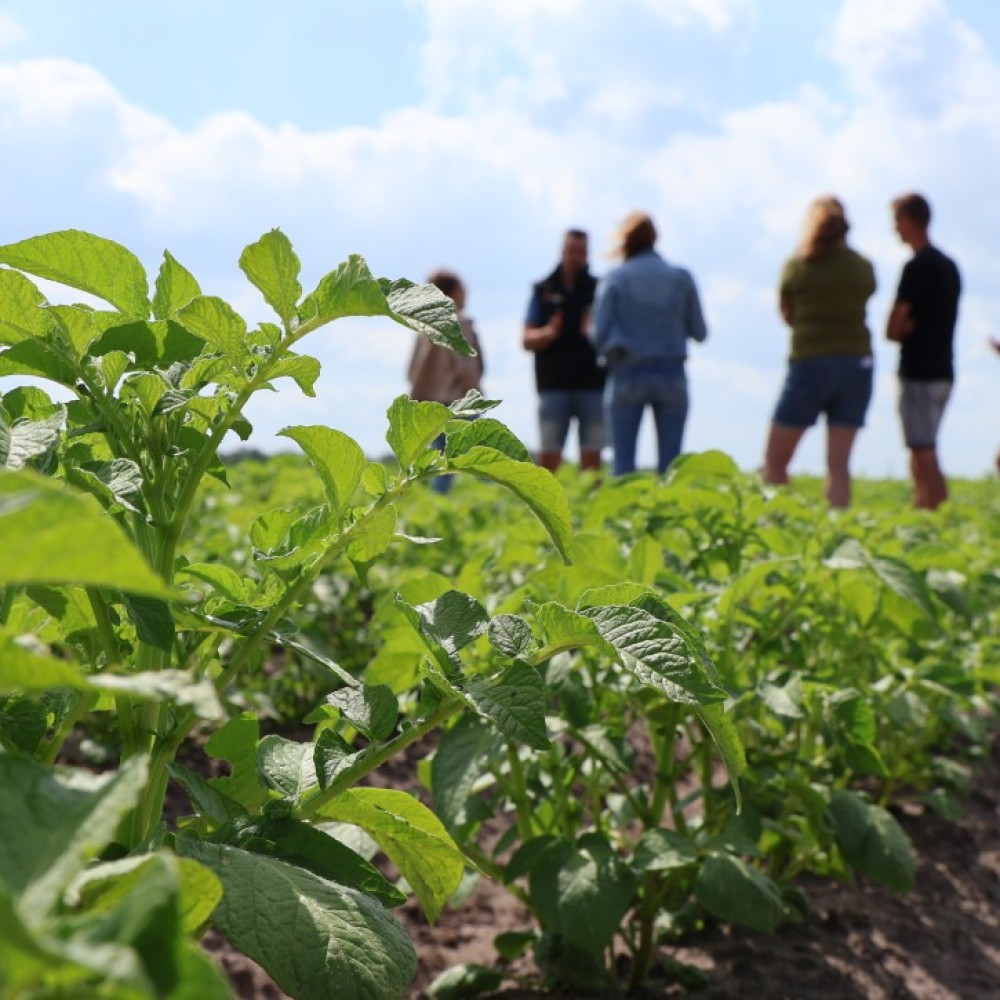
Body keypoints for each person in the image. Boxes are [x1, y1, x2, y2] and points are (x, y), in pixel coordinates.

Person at [763, 196, 876, 508]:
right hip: (857, 364)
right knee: (839, 466)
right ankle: (836, 534)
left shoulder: (797, 265)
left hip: (810, 362)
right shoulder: (862, 267)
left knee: (775, 462)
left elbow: (787, 313)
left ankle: (777, 528)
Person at [593, 210, 707, 475]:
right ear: (655, 238)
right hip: (671, 374)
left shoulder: (615, 278)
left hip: (627, 373)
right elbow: (700, 332)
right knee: (670, 470)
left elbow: (599, 333)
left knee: (623, 468)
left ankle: (625, 514)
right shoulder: (681, 278)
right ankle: (665, 516)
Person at [886, 193, 961, 510]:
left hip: (918, 370)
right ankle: (923, 512)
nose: (895, 229)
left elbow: (892, 328)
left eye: (897, 221)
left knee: (922, 449)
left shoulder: (916, 267)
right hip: (944, 370)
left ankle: (938, 516)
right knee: (922, 447)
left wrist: (904, 328)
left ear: (910, 220)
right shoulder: (949, 267)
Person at [522, 229, 604, 471]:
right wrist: (549, 332)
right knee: (549, 457)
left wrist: (594, 331)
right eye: (572, 250)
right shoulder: (542, 290)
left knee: (592, 458)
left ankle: (591, 507)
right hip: (553, 385)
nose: (576, 257)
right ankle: (547, 507)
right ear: (563, 251)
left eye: (581, 252)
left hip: (592, 384)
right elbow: (526, 339)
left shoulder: (599, 289)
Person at [407, 269, 483, 493]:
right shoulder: (458, 323)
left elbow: (412, 371)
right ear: (455, 292)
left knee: (439, 460)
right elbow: (465, 364)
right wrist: (476, 393)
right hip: (457, 402)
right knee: (480, 455)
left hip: (430, 404)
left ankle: (437, 506)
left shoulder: (425, 326)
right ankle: (497, 501)